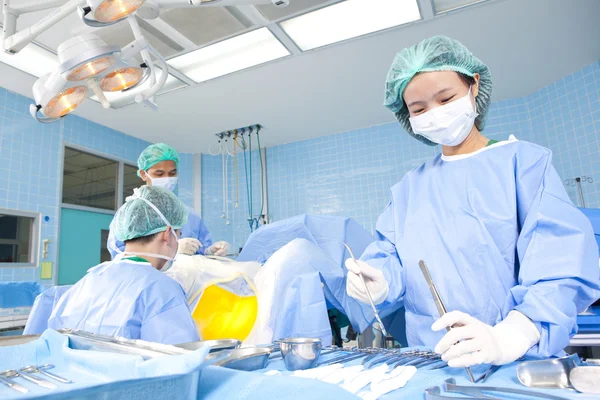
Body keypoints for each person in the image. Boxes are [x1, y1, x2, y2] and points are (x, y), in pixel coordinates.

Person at [345, 35, 600, 368]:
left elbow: (560, 263)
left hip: (519, 360)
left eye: (446, 97)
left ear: (474, 85)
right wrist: (378, 284)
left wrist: (512, 335)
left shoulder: (522, 164)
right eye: (419, 109)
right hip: (435, 363)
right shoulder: (408, 190)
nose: (434, 114)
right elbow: (390, 258)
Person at [48, 186, 200, 344]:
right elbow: (179, 359)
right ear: (167, 234)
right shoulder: (162, 290)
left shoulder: (87, 280)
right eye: (179, 234)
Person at [108, 143, 230, 258]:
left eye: (172, 173)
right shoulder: (131, 214)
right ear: (143, 174)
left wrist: (209, 251)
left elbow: (200, 250)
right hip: (148, 277)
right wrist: (172, 249)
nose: (167, 178)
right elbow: (119, 254)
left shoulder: (187, 215)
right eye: (159, 174)